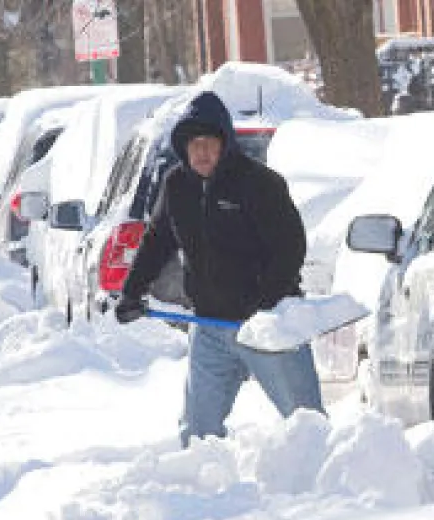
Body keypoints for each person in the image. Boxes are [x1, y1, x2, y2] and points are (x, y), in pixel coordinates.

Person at [114, 90, 323, 447]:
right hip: (210, 328)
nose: (201, 153)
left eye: (209, 143)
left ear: (224, 143)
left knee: (308, 424)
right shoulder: (177, 186)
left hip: (268, 325)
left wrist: (264, 297)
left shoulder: (259, 183)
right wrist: (132, 290)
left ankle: (336, 487)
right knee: (198, 433)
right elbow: (157, 241)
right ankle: (207, 495)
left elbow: (290, 247)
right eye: (193, 145)